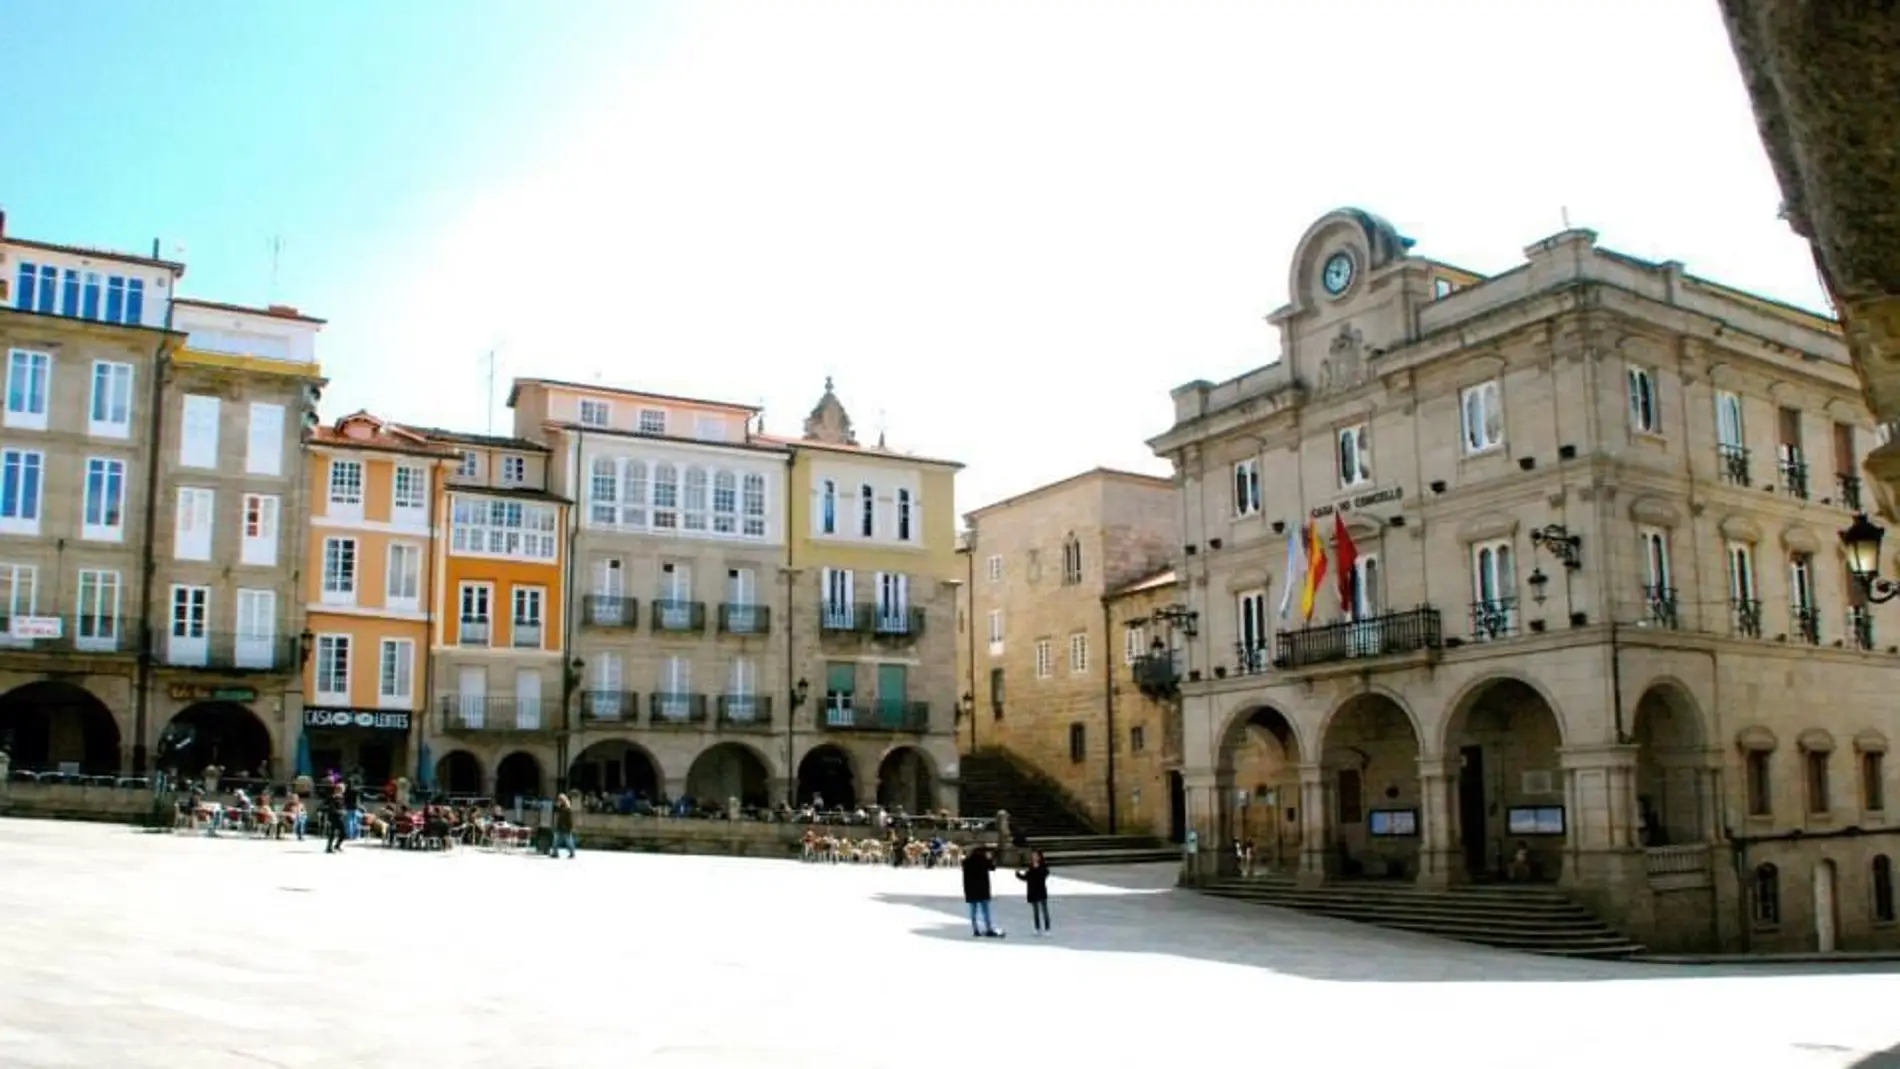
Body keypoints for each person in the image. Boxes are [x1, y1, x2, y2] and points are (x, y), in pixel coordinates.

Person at [962, 845, 1003, 938]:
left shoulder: (967, 862)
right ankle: (988, 929)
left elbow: (964, 879)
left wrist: (966, 892)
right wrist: (992, 857)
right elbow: (993, 867)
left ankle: (975, 930)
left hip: (971, 890)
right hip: (983, 890)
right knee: (985, 911)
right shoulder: (984, 860)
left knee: (973, 911)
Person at [1015, 850, 1052, 936]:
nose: (1034, 857)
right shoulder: (1030, 867)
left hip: (1041, 890)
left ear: (1039, 857)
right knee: (1036, 912)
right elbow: (1026, 877)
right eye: (1033, 856)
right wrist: (1018, 875)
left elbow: (1045, 874)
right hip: (1033, 891)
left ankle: (1047, 928)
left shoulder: (1043, 866)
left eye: (1035, 856)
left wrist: (1038, 869)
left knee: (1044, 911)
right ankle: (1037, 928)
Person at [549, 794, 577, 859]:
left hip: (565, 828)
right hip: (560, 827)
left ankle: (572, 853)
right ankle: (555, 853)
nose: (559, 801)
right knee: (556, 841)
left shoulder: (567, 809)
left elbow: (570, 820)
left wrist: (569, 827)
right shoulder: (561, 808)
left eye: (560, 800)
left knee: (568, 841)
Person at [323, 784, 347, 854]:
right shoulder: (333, 797)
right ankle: (330, 847)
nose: (343, 791)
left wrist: (344, 810)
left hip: (339, 816)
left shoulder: (341, 797)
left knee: (336, 833)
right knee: (338, 832)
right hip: (334, 817)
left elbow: (342, 806)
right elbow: (331, 808)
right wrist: (340, 811)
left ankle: (335, 846)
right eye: (342, 789)